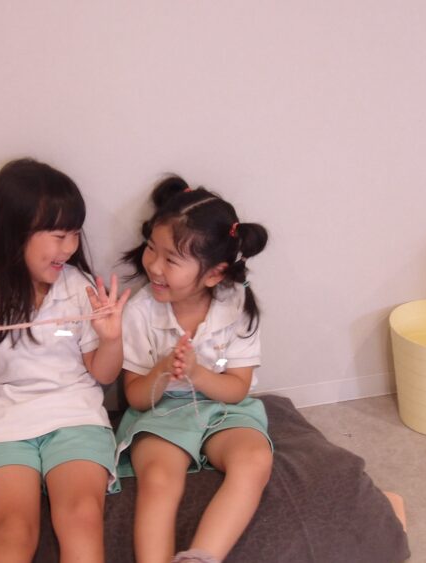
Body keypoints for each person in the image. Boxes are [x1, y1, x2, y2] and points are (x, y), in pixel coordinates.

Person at [0, 158, 130, 563]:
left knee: (81, 516)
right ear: (15, 233)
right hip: (2, 424)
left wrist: (112, 340)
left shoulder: (78, 288)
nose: (70, 247)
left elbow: (103, 374)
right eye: (58, 236)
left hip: (74, 415)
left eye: (74, 234)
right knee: (13, 531)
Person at [115, 175, 274, 563]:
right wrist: (162, 371)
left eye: (171, 260)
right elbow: (135, 397)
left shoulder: (236, 305)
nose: (154, 266)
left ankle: (199, 558)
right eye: (151, 249)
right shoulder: (140, 311)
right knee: (158, 478)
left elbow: (237, 389)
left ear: (214, 273)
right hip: (161, 414)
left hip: (224, 409)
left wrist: (199, 375)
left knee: (255, 460)